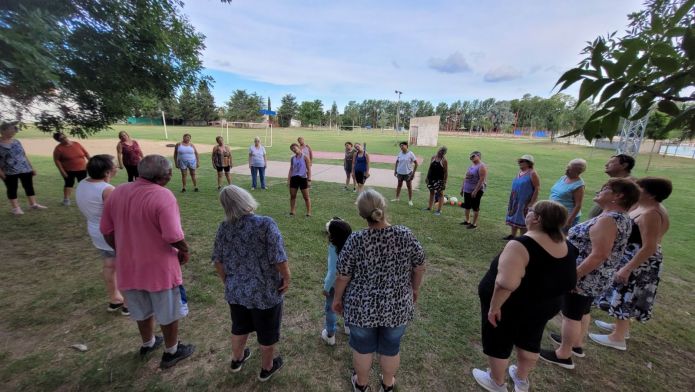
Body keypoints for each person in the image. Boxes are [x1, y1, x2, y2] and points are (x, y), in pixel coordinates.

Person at [100, 154, 195, 369]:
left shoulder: (118, 192)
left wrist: (121, 249)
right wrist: (185, 250)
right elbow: (173, 235)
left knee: (139, 307)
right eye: (170, 172)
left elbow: (106, 230)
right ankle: (171, 351)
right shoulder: (163, 196)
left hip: (128, 267)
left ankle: (148, 343)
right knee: (168, 310)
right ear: (165, 175)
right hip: (159, 269)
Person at [473, 201, 577, 392]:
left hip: (512, 306)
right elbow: (570, 278)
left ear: (537, 218)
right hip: (543, 306)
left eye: (530, 211)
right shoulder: (566, 245)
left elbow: (506, 283)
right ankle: (521, 380)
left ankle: (496, 382)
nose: (527, 213)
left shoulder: (521, 245)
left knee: (499, 339)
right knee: (531, 338)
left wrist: (495, 307)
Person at [540, 178, 639, 370]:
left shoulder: (608, 219)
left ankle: (564, 354)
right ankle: (576, 343)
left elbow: (599, 254)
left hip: (586, 275)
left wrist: (574, 276)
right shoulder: (620, 217)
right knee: (583, 310)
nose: (599, 191)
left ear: (618, 196)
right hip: (598, 276)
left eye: (605, 188)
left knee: (571, 314)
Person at [333, 189, 426, 392]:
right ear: (383, 207)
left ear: (361, 214)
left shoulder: (356, 240)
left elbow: (343, 275)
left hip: (361, 307)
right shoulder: (405, 234)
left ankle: (362, 385)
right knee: (391, 349)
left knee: (362, 349)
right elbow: (419, 266)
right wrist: (415, 289)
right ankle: (388, 385)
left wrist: (337, 299)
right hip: (397, 305)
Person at [212, 185, 291, 381]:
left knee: (239, 325)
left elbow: (218, 261)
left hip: (236, 291)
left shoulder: (224, 227)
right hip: (265, 292)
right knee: (267, 331)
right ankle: (267, 368)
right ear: (245, 199)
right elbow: (278, 258)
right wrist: (287, 277)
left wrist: (228, 282)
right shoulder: (265, 224)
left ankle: (237, 359)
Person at [590, 177, 672, 351]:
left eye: (639, 188)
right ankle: (621, 328)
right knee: (623, 293)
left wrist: (628, 268)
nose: (635, 190)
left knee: (626, 294)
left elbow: (650, 246)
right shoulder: (646, 207)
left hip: (639, 262)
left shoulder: (651, 214)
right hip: (634, 258)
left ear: (651, 194)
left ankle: (617, 338)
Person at [75, 155, 128, 316]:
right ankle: (128, 304)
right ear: (107, 172)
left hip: (95, 230)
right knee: (124, 267)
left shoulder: (83, 183)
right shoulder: (107, 190)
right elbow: (117, 216)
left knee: (109, 265)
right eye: (114, 166)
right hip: (111, 234)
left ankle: (114, 299)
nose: (116, 168)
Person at [0, 121, 47, 215]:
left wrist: (31, 167)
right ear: (3, 130)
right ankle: (16, 209)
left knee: (29, 186)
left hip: (25, 169)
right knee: (12, 189)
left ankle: (33, 204)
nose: (15, 131)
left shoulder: (17, 141)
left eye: (15, 129)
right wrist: (1, 174)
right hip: (9, 171)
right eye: (13, 129)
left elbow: (23, 155)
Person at [321, 217, 353, 345]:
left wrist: (326, 287)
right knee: (348, 305)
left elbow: (333, 270)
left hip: (335, 285)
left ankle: (330, 335)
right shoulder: (353, 245)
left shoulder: (334, 248)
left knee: (331, 308)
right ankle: (348, 327)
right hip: (350, 283)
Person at [587, 154, 635, 219]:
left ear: (624, 165)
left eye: (611, 162)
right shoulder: (615, 182)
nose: (606, 165)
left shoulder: (629, 185)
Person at [505, 154, 540, 239]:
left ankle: (522, 238)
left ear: (528, 163)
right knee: (514, 216)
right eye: (519, 161)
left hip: (524, 201)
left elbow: (537, 188)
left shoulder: (532, 173)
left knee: (523, 218)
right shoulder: (520, 172)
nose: (519, 163)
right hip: (515, 199)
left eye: (522, 161)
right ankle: (512, 235)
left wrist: (532, 202)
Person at [53, 131, 90, 206]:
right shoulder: (59, 149)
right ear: (58, 141)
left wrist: (91, 161)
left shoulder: (76, 144)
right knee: (69, 184)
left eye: (64, 137)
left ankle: (84, 198)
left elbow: (86, 153)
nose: (64, 139)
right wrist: (62, 171)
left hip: (82, 169)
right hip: (69, 170)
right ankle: (66, 200)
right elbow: (57, 160)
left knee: (83, 184)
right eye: (61, 139)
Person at [549, 159, 587, 230]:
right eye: (567, 167)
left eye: (570, 169)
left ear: (578, 172)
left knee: (560, 239)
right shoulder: (563, 178)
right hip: (554, 214)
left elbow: (578, 205)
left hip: (565, 217)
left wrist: (569, 221)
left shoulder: (579, 185)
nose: (566, 170)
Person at [460, 151, 487, 228]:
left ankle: (474, 224)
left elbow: (481, 180)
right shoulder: (472, 166)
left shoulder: (482, 166)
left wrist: (475, 191)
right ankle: (467, 221)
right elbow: (466, 177)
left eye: (473, 156)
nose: (471, 158)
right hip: (467, 189)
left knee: (475, 207)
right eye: (471, 157)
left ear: (478, 156)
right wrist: (462, 188)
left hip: (476, 190)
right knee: (467, 206)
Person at [287, 143, 312, 216]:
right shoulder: (292, 158)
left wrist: (309, 180)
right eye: (292, 149)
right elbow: (291, 169)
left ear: (298, 147)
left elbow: (309, 169)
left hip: (303, 179)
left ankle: (309, 212)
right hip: (294, 178)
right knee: (292, 196)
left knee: (306, 197)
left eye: (294, 148)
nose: (294, 150)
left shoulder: (305, 157)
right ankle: (292, 211)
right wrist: (288, 179)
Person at [392, 141, 418, 206]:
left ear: (407, 146)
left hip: (408, 173)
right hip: (400, 172)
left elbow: (416, 163)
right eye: (400, 146)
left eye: (403, 145)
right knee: (399, 185)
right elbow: (397, 162)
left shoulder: (411, 154)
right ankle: (397, 198)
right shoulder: (400, 153)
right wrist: (395, 170)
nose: (401, 147)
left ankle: (410, 200)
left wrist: (413, 173)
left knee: (409, 186)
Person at [424, 146, 448, 215]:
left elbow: (446, 172)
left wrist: (444, 182)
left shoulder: (444, 160)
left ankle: (439, 210)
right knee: (431, 192)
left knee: (440, 194)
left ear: (444, 154)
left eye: (442, 152)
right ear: (438, 150)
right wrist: (427, 177)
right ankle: (429, 207)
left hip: (439, 180)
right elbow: (430, 168)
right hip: (431, 178)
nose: (440, 153)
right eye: (440, 151)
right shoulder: (433, 157)